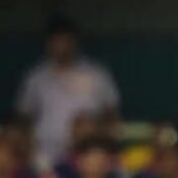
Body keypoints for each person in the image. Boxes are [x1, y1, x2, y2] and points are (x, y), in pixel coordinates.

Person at [16, 16, 120, 166]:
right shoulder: (36, 77)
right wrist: (27, 149)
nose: (61, 46)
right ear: (48, 43)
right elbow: (24, 118)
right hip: (46, 153)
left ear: (74, 41)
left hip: (88, 154)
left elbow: (111, 113)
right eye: (56, 41)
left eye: (65, 40)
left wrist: (107, 146)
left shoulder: (96, 73)